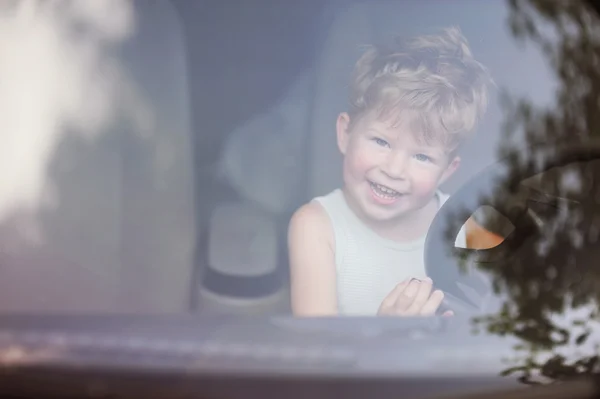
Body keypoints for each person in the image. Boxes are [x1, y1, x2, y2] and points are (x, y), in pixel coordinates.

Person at [288, 27, 503, 317]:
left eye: (422, 156)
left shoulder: (465, 227)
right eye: (381, 141)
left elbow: (499, 314)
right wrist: (385, 333)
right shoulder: (317, 228)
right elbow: (316, 355)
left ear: (446, 171)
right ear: (345, 133)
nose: (394, 169)